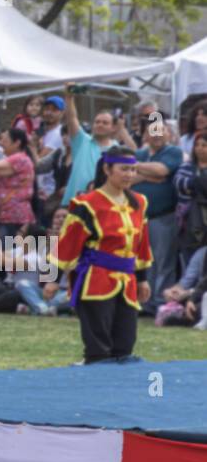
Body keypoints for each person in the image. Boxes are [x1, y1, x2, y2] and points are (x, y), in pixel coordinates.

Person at [53, 147, 152, 363]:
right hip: (95, 280)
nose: (129, 174)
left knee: (125, 344)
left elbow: (141, 244)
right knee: (98, 347)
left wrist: (143, 279)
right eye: (124, 169)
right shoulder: (86, 204)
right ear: (107, 169)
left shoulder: (139, 203)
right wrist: (52, 280)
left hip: (127, 282)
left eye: (133, 170)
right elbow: (67, 245)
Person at [133, 121, 184, 308]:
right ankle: (145, 303)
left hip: (164, 217)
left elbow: (162, 170)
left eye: (161, 131)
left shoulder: (173, 152)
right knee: (144, 262)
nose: (156, 135)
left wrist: (137, 167)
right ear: (145, 135)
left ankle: (160, 303)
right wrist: (150, 175)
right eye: (152, 131)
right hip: (140, 219)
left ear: (169, 134)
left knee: (164, 262)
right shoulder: (139, 154)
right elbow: (128, 178)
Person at [62, 84, 118, 205]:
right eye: (97, 122)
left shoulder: (118, 149)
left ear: (113, 128)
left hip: (103, 204)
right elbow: (72, 118)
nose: (100, 125)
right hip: (75, 202)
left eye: (105, 123)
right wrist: (69, 98)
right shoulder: (82, 140)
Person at [174, 130, 207, 273]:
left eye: (204, 145)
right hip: (188, 221)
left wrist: (194, 186)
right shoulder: (187, 166)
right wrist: (199, 184)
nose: (200, 148)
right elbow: (179, 184)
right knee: (188, 261)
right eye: (197, 145)